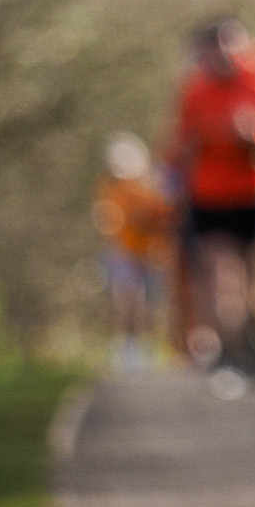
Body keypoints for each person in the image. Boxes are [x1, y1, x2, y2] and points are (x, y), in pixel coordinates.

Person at [161, 18, 255, 387]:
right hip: (208, 197)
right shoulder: (194, 89)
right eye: (215, 45)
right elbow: (177, 145)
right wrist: (195, 143)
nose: (222, 52)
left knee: (254, 276)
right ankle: (232, 352)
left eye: (229, 43)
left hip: (253, 194)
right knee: (222, 276)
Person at [91, 132, 174, 372]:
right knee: (126, 299)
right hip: (123, 253)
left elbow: (165, 218)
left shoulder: (153, 186)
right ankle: (129, 346)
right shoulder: (108, 188)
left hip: (152, 252)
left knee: (153, 303)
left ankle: (149, 345)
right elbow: (106, 221)